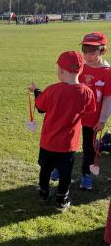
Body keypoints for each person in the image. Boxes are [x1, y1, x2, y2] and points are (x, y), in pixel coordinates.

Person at [29, 51, 96, 211]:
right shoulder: (87, 92)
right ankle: (62, 198)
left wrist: (37, 91)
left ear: (60, 70)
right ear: (81, 70)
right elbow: (89, 110)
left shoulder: (52, 90)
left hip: (48, 142)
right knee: (65, 173)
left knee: (45, 169)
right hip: (68, 145)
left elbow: (40, 107)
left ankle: (43, 193)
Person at [78, 32, 111, 190]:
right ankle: (58, 167)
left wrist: (102, 119)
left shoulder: (107, 72)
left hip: (92, 118)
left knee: (88, 147)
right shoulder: (80, 67)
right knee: (65, 141)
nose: (87, 56)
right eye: (85, 51)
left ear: (102, 50)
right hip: (75, 114)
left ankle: (86, 175)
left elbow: (108, 98)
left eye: (92, 52)